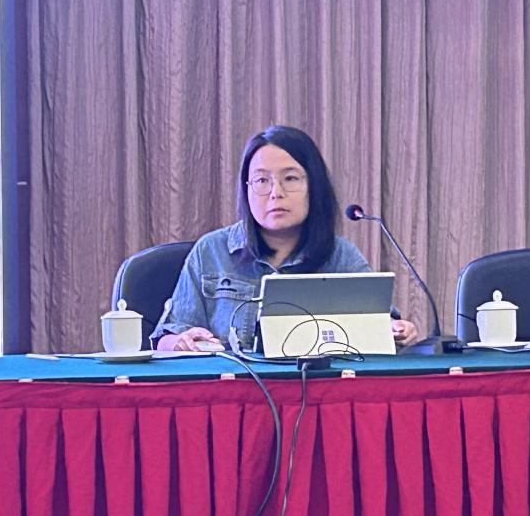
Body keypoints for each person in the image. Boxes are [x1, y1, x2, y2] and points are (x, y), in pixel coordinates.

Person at [153, 125, 419, 352]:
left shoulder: (340, 255)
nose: (275, 193)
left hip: (316, 391)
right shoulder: (211, 251)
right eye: (262, 181)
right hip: (230, 389)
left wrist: (396, 330)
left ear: (313, 187)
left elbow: (380, 324)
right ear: (247, 189)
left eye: (290, 178)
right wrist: (180, 341)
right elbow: (165, 339)